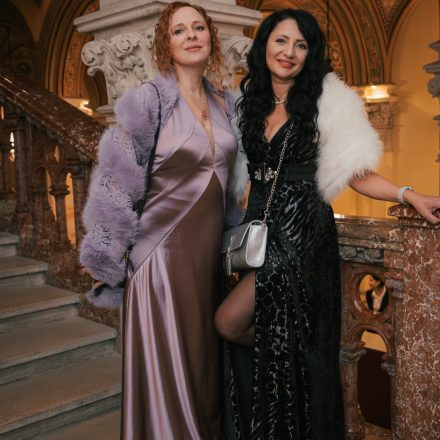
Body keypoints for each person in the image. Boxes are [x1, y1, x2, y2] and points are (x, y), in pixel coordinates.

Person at [214, 9, 440, 439]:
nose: (289, 52)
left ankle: (299, 372)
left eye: (301, 45)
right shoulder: (250, 102)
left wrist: (409, 194)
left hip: (301, 235)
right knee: (280, 330)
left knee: (228, 321)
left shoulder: (326, 102)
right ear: (264, 45)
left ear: (310, 54)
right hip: (257, 231)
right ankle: (292, 384)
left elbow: (355, 171)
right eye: (281, 41)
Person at [79, 2, 237, 439]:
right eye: (179, 30)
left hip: (207, 259)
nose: (191, 36)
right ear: (166, 44)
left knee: (202, 371)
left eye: (198, 27)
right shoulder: (148, 100)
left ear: (211, 37)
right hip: (160, 259)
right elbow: (116, 175)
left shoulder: (225, 102)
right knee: (171, 372)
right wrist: (105, 250)